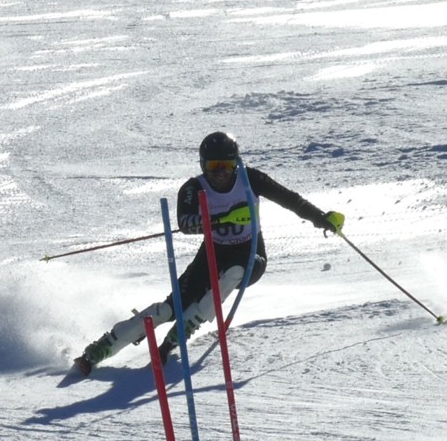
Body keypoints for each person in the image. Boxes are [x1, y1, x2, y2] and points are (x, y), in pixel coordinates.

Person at [73, 132, 343, 374]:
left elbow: (291, 200)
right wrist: (224, 218)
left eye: (227, 166)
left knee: (235, 272)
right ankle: (101, 349)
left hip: (250, 255)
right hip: (212, 254)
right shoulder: (194, 188)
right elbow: (185, 223)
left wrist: (322, 218)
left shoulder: (251, 179)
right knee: (168, 309)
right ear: (204, 166)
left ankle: (186, 328)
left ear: (236, 163)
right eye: (214, 167)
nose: (221, 173)